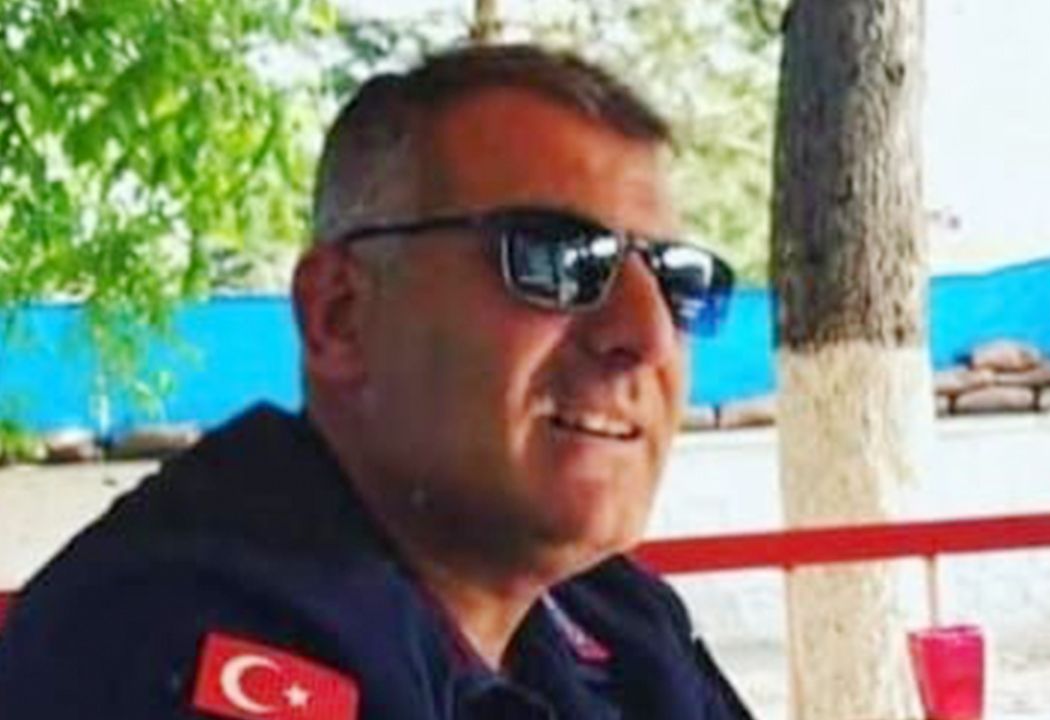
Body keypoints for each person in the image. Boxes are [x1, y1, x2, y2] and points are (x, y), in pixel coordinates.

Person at [0, 43, 747, 719]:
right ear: (340, 315)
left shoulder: (614, 618)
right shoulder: (177, 637)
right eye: (555, 260)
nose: (649, 336)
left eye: (680, 282)